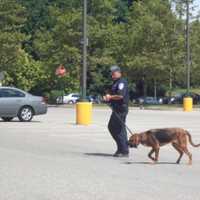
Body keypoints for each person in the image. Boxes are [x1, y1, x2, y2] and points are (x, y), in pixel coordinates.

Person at [103, 65, 129, 157]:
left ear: (119, 72)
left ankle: (124, 150)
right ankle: (121, 148)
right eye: (111, 73)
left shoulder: (122, 82)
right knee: (113, 127)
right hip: (116, 108)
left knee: (118, 129)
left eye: (114, 73)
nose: (112, 75)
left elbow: (120, 95)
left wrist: (110, 97)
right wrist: (107, 96)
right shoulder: (115, 82)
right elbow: (112, 93)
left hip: (121, 109)